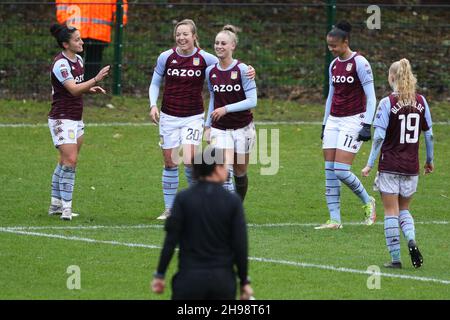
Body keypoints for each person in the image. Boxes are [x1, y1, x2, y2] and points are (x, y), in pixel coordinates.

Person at [148, 19, 255, 219]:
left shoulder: (205, 58)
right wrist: (153, 104)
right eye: (178, 34)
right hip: (168, 116)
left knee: (189, 160)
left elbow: (228, 64)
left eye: (185, 34)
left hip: (194, 116)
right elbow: (155, 83)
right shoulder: (166, 57)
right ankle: (170, 209)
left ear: (194, 36)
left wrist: (248, 69)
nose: (181, 38)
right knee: (170, 162)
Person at [151, 147, 254, 300]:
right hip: (222, 281)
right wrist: (244, 281)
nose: (227, 170)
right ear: (216, 168)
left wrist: (160, 274)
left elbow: (170, 241)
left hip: (189, 280)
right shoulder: (232, 201)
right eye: (225, 165)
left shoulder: (183, 199)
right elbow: (240, 245)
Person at [361, 58, 434, 269]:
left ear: (392, 77)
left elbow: (378, 138)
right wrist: (429, 161)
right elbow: (428, 135)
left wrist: (369, 164)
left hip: (390, 165)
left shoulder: (387, 103)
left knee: (390, 211)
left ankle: (395, 258)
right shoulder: (421, 101)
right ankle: (410, 237)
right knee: (404, 210)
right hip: (412, 167)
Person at [316, 20, 377, 230]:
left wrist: (367, 124)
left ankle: (368, 200)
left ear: (345, 42)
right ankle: (335, 219)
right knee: (329, 171)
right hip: (334, 119)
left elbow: (371, 97)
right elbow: (330, 96)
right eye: (328, 46)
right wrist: (325, 124)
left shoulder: (360, 63)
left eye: (334, 46)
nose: (331, 49)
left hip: (354, 119)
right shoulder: (333, 65)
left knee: (341, 170)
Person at [48, 24, 110, 221]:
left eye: (80, 38)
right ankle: (66, 209)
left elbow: (76, 88)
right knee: (71, 162)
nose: (82, 41)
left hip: (76, 118)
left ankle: (55, 204)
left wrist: (90, 89)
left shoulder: (79, 60)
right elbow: (73, 90)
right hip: (61, 118)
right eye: (77, 39)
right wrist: (96, 79)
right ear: (66, 44)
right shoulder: (61, 64)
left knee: (65, 161)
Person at [204, 25, 257, 201]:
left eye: (223, 43)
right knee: (223, 168)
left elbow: (252, 101)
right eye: (217, 43)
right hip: (220, 128)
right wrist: (207, 126)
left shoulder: (243, 70)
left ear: (233, 46)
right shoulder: (210, 71)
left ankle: (236, 207)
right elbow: (213, 98)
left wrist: (226, 109)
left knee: (240, 172)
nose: (219, 46)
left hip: (243, 127)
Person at [55, 0, 128, 81]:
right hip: (80, 30)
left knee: (93, 62)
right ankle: (72, 85)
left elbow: (120, 5)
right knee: (73, 61)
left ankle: (88, 87)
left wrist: (120, 19)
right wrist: (64, 19)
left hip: (96, 30)